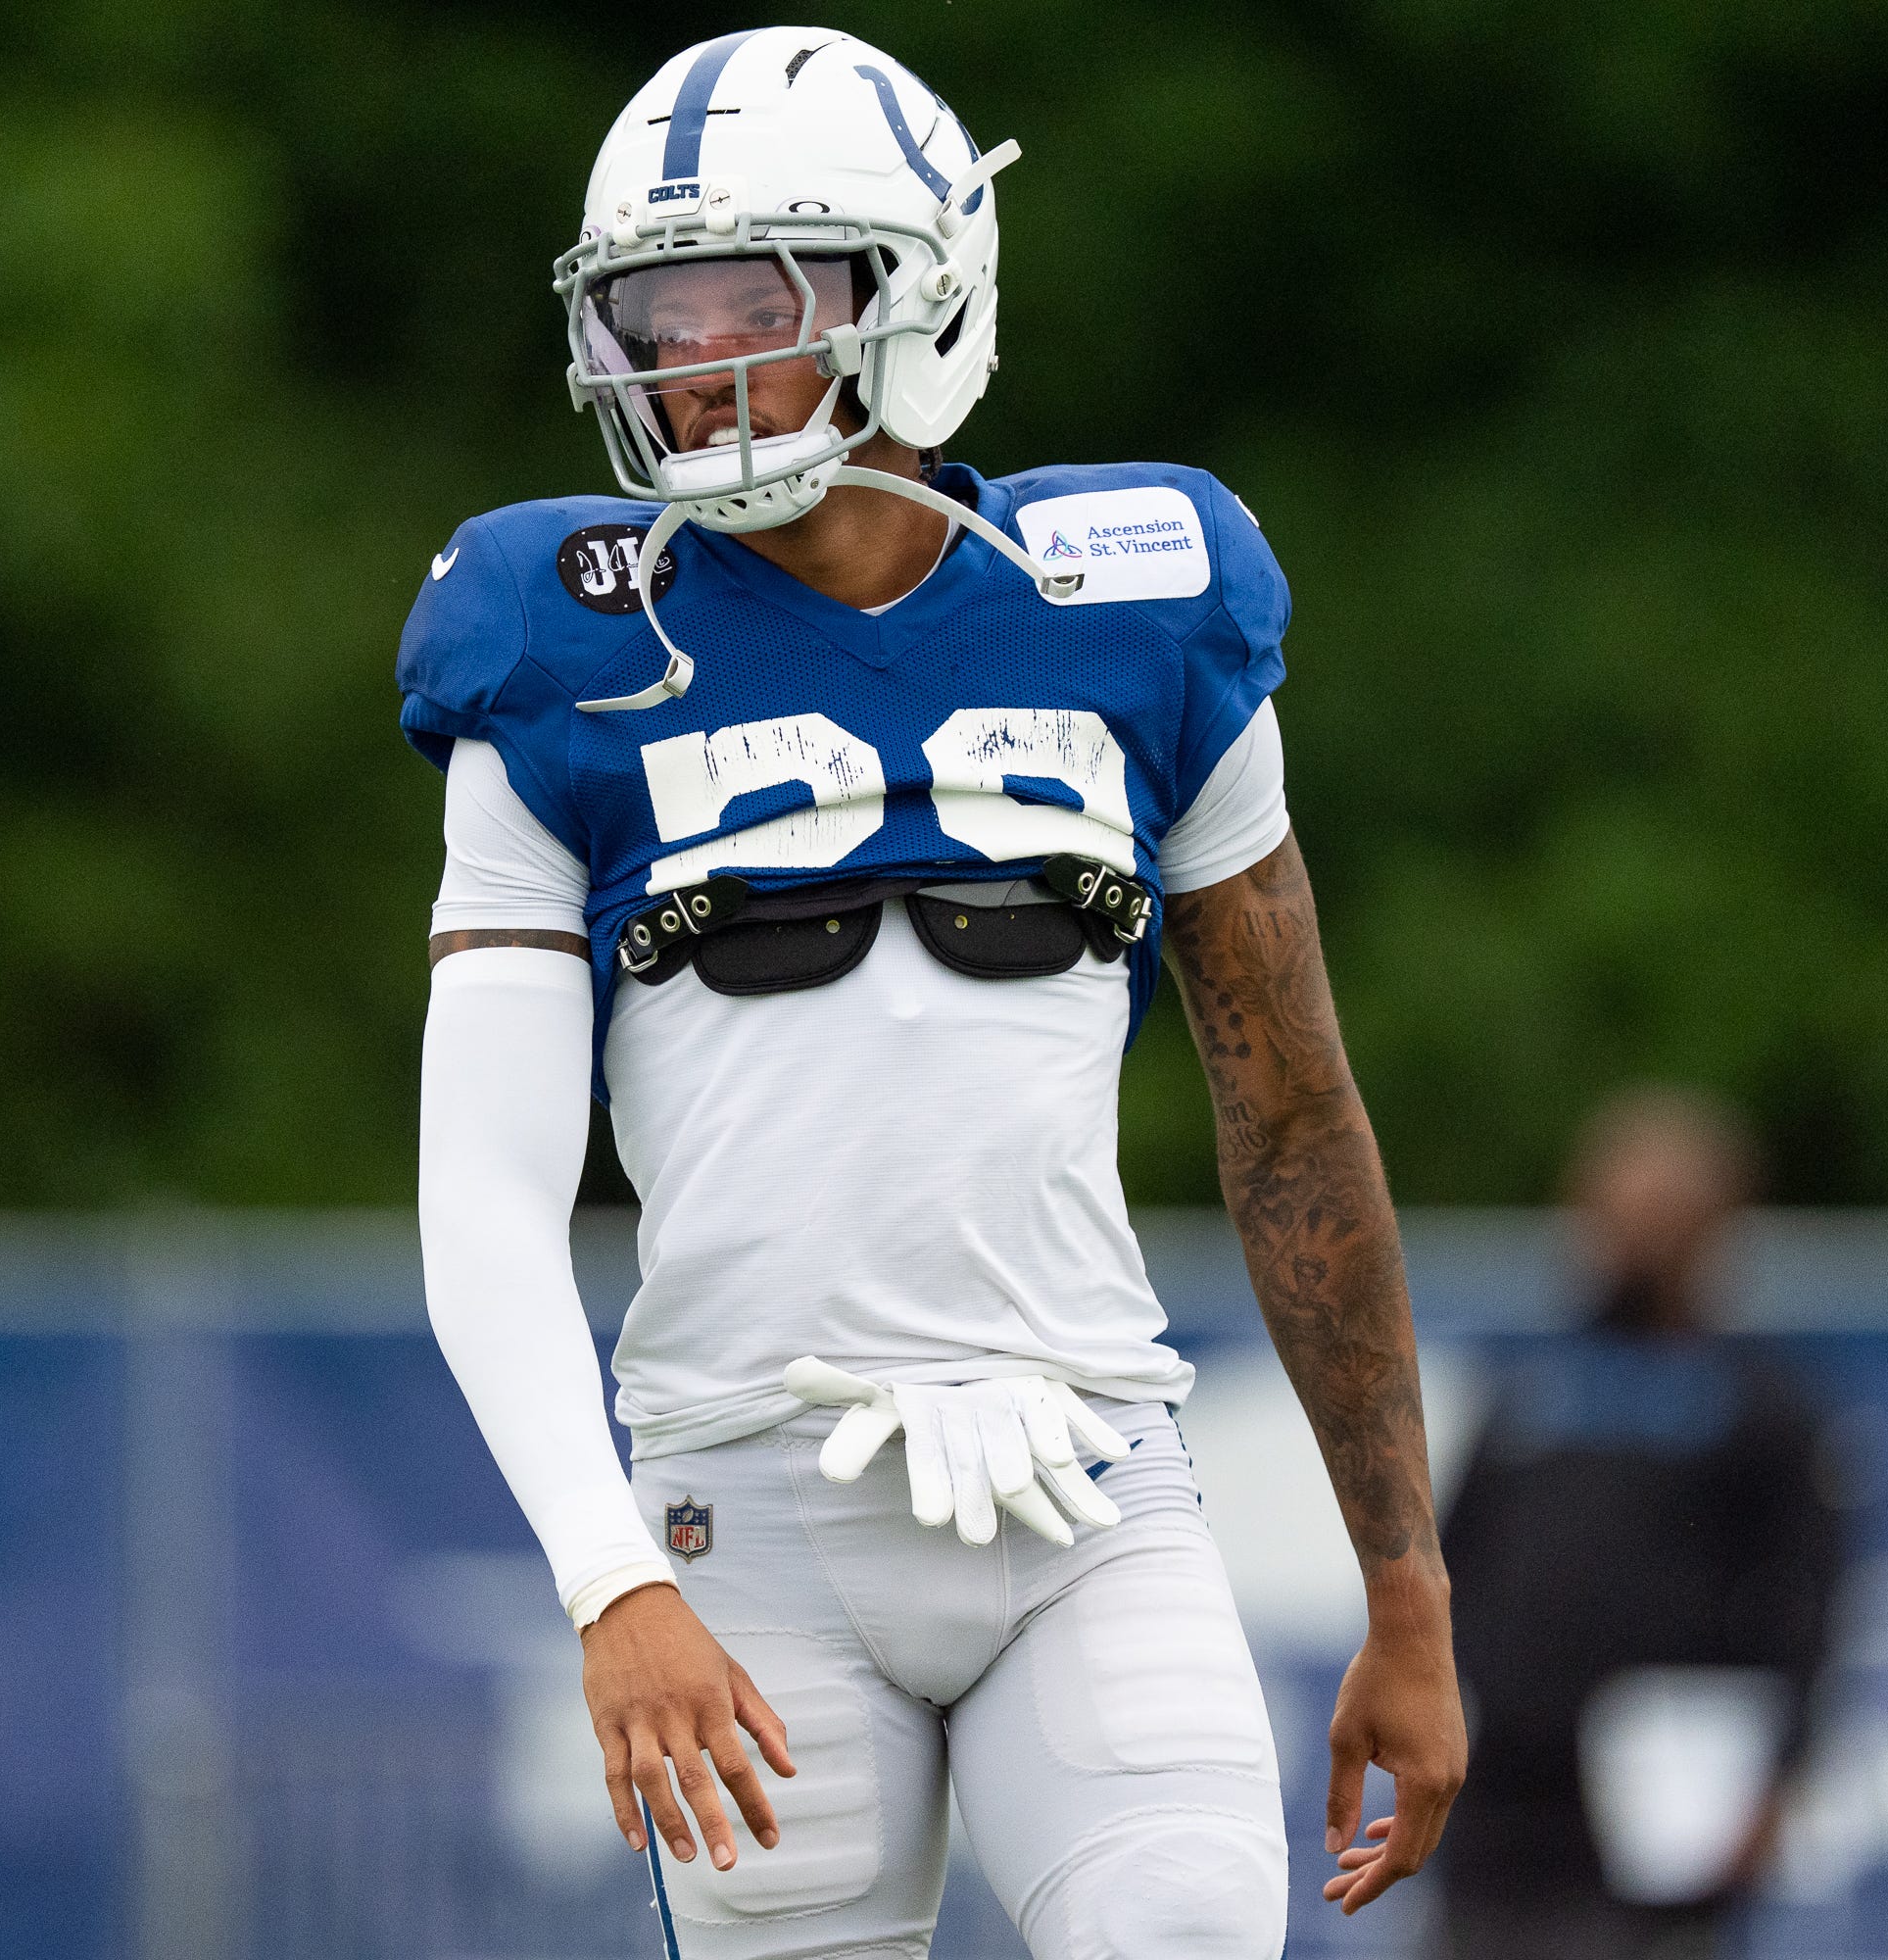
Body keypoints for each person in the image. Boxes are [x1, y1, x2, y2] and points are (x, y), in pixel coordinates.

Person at [401, 28, 1465, 1957]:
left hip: (1088, 1477)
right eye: (656, 314)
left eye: (757, 303)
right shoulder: (557, 641)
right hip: (743, 1516)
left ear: (923, 292)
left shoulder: (1140, 598)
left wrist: (1408, 1585)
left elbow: (1294, 1117)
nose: (693, 361)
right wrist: (609, 1579)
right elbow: (484, 1193)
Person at [1437, 1089, 1852, 1960]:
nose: (1628, 1238)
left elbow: (1813, 1605)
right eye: (1610, 1211)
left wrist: (1781, 1777)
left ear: (1715, 1226)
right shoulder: (1531, 1389)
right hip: (1506, 1791)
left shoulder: (1763, 1405)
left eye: (1658, 1214)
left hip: (1663, 1792)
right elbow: (1452, 1558)